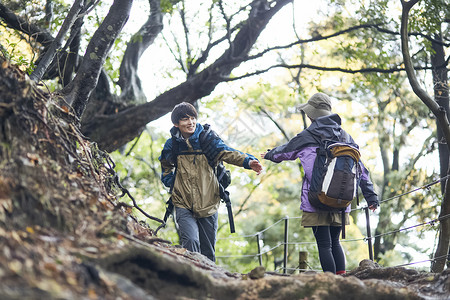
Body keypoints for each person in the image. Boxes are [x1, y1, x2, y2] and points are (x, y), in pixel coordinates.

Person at [261, 92, 379, 274]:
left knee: (324, 244)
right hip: (341, 200)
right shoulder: (346, 137)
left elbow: (284, 152)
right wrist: (371, 197)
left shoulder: (307, 135)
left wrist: (269, 154)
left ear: (312, 115)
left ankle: (331, 285)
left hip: (317, 198)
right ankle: (342, 283)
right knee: (335, 242)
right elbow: (361, 170)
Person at [159, 102, 263, 262]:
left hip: (209, 202)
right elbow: (165, 165)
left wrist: (248, 162)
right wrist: (170, 181)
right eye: (185, 119)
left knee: (208, 252)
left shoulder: (207, 139)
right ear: (176, 123)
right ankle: (192, 279)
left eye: (192, 118)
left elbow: (227, 152)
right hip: (182, 202)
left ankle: (210, 281)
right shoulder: (172, 144)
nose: (190, 122)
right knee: (191, 243)